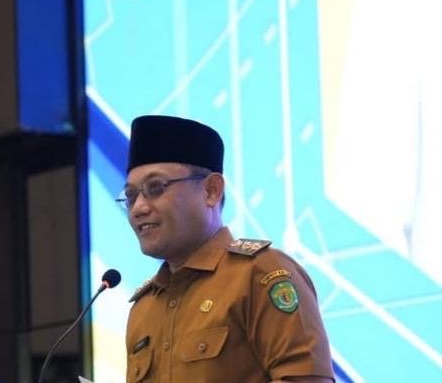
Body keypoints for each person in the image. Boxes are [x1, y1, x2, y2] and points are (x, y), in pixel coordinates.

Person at [119, 115, 334, 382]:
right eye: (131, 196)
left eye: (155, 188)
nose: (138, 208)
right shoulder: (143, 308)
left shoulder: (260, 275)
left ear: (211, 190)